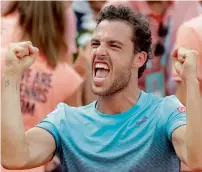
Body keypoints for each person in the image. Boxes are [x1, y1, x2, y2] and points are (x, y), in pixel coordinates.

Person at [2, 5, 202, 172]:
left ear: (139, 58)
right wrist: (11, 75)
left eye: (114, 45)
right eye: (96, 43)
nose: (100, 51)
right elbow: (14, 157)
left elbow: (197, 159)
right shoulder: (66, 120)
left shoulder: (165, 112)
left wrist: (191, 82)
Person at [1, 1, 83, 172]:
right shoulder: (68, 77)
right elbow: (73, 134)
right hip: (35, 161)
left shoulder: (4, 60)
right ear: (61, 22)